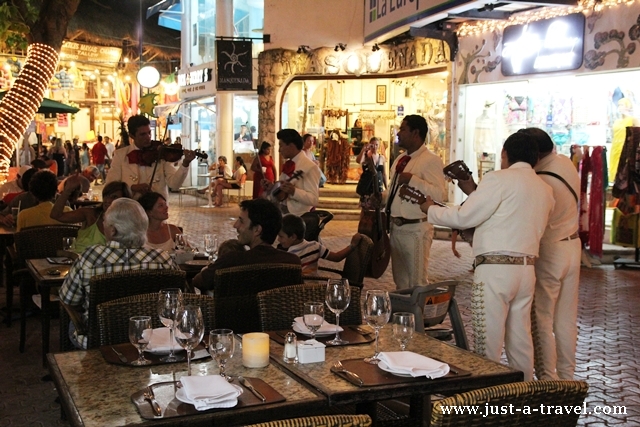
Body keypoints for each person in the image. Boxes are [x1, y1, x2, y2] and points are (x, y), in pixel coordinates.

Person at [421, 131, 554, 381]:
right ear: (536, 158)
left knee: (487, 342)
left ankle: (489, 394)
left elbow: (464, 216)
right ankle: (523, 393)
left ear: (505, 153)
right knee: (521, 340)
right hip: (526, 270)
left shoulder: (498, 179)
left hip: (495, 270)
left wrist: (431, 210)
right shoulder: (545, 189)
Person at [58, 198, 179, 349]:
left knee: (72, 323)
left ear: (113, 230)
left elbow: (68, 299)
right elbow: (177, 299)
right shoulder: (163, 259)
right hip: (151, 339)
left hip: (100, 340)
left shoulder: (91, 258)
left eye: (105, 222)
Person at [518, 128, 581, 380]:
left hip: (551, 250)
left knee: (542, 316)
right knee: (566, 319)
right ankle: (567, 377)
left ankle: (547, 378)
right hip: (573, 245)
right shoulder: (565, 163)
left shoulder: (540, 179)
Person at [382, 114, 445, 289]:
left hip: (416, 230)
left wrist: (413, 180)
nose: (398, 133)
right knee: (400, 282)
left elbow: (439, 194)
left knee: (417, 282)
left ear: (415, 133)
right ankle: (404, 308)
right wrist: (381, 199)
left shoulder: (431, 160)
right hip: (395, 228)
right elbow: (393, 191)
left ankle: (418, 308)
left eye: (403, 129)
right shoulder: (400, 159)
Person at [192, 198, 300, 291]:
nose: (235, 225)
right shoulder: (291, 262)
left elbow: (198, 281)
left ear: (257, 230)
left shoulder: (232, 261)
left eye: (241, 221)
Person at [106, 115, 196, 200]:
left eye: (149, 133)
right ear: (132, 136)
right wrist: (132, 187)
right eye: (143, 134)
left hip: (157, 208)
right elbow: (111, 185)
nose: (148, 137)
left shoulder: (160, 152)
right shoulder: (120, 155)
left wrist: (185, 164)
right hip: (131, 207)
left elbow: (174, 184)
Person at [50, 179, 131, 253]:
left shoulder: (128, 223)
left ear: (124, 201)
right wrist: (67, 191)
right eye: (106, 195)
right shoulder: (90, 214)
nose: (108, 200)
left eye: (114, 197)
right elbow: (56, 215)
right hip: (78, 260)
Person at [278, 214, 362, 276]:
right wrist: (352, 245)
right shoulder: (315, 246)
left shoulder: (289, 256)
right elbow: (337, 257)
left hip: (299, 290)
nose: (279, 240)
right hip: (314, 286)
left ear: (293, 237)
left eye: (281, 236)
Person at [275, 128, 321, 215]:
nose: (279, 150)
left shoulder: (310, 167)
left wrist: (294, 191)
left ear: (291, 146)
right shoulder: (289, 164)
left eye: (281, 146)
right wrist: (272, 187)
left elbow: (314, 199)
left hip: (298, 216)